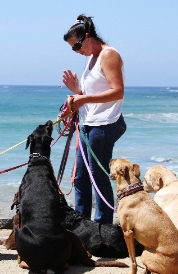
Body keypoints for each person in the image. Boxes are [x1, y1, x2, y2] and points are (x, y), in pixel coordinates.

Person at [62, 14, 126, 224]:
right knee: (80, 177)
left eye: (78, 45)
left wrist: (83, 98)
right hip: (88, 124)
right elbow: (93, 93)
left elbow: (117, 92)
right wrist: (77, 91)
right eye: (73, 48)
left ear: (88, 36)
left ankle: (103, 227)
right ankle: (82, 226)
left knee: (98, 177)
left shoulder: (109, 55)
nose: (77, 51)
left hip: (105, 124)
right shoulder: (91, 57)